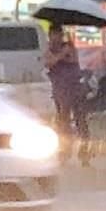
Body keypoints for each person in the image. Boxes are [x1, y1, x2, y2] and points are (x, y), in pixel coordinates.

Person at [44, 24, 90, 165]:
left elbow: (74, 59)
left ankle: (84, 154)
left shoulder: (68, 46)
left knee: (81, 121)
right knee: (63, 123)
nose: (56, 38)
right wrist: (61, 55)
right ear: (50, 35)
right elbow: (49, 63)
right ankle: (65, 153)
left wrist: (68, 49)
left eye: (58, 34)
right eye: (54, 35)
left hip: (75, 89)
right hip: (60, 91)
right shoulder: (49, 50)